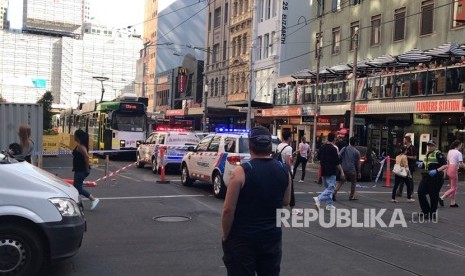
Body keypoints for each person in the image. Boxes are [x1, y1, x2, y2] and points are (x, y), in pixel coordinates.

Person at [221, 126, 291, 276]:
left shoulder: (242, 171)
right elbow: (286, 200)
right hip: (271, 238)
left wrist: (226, 236)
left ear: (250, 146)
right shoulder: (284, 170)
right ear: (269, 147)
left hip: (243, 239)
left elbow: (228, 210)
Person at [313, 132, 344, 210]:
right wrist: (342, 172)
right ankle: (319, 198)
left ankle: (329, 205)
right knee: (331, 188)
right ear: (334, 139)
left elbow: (317, 157)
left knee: (328, 188)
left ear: (327, 138)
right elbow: (337, 162)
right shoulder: (334, 149)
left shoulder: (322, 147)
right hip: (331, 171)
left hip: (323, 170)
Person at [417, 140, 447, 219]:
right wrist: (421, 164)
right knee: (420, 192)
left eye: (431, 145)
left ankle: (432, 213)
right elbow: (426, 164)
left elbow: (445, 165)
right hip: (426, 176)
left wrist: (436, 170)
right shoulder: (427, 153)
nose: (429, 147)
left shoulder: (438, 154)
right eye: (428, 145)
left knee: (433, 196)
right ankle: (425, 210)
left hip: (436, 178)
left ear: (435, 146)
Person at [73, 129, 99, 210]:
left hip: (81, 170)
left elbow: (87, 157)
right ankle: (79, 203)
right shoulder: (80, 145)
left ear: (77, 137)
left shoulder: (81, 147)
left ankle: (93, 199)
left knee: (77, 188)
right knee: (76, 187)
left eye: (74, 135)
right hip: (78, 169)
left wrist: (87, 168)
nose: (73, 136)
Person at [333, 137, 361, 201]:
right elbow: (358, 163)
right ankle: (351, 196)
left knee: (341, 181)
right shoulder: (357, 152)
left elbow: (338, 155)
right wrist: (359, 172)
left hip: (343, 169)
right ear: (355, 143)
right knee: (353, 182)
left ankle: (334, 193)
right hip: (352, 169)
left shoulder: (344, 148)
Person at [439, 140, 464, 208]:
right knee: (454, 187)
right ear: (458, 145)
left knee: (452, 186)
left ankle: (452, 202)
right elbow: (461, 164)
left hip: (449, 169)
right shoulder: (458, 153)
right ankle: (442, 197)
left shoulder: (450, 151)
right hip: (454, 169)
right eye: (461, 145)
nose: (461, 146)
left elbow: (448, 162)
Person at [276, 130, 295, 209]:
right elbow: (287, 161)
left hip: (278, 168)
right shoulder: (289, 148)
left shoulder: (279, 145)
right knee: (290, 188)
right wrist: (290, 170)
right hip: (285, 169)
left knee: (279, 187)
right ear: (289, 137)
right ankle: (292, 206)